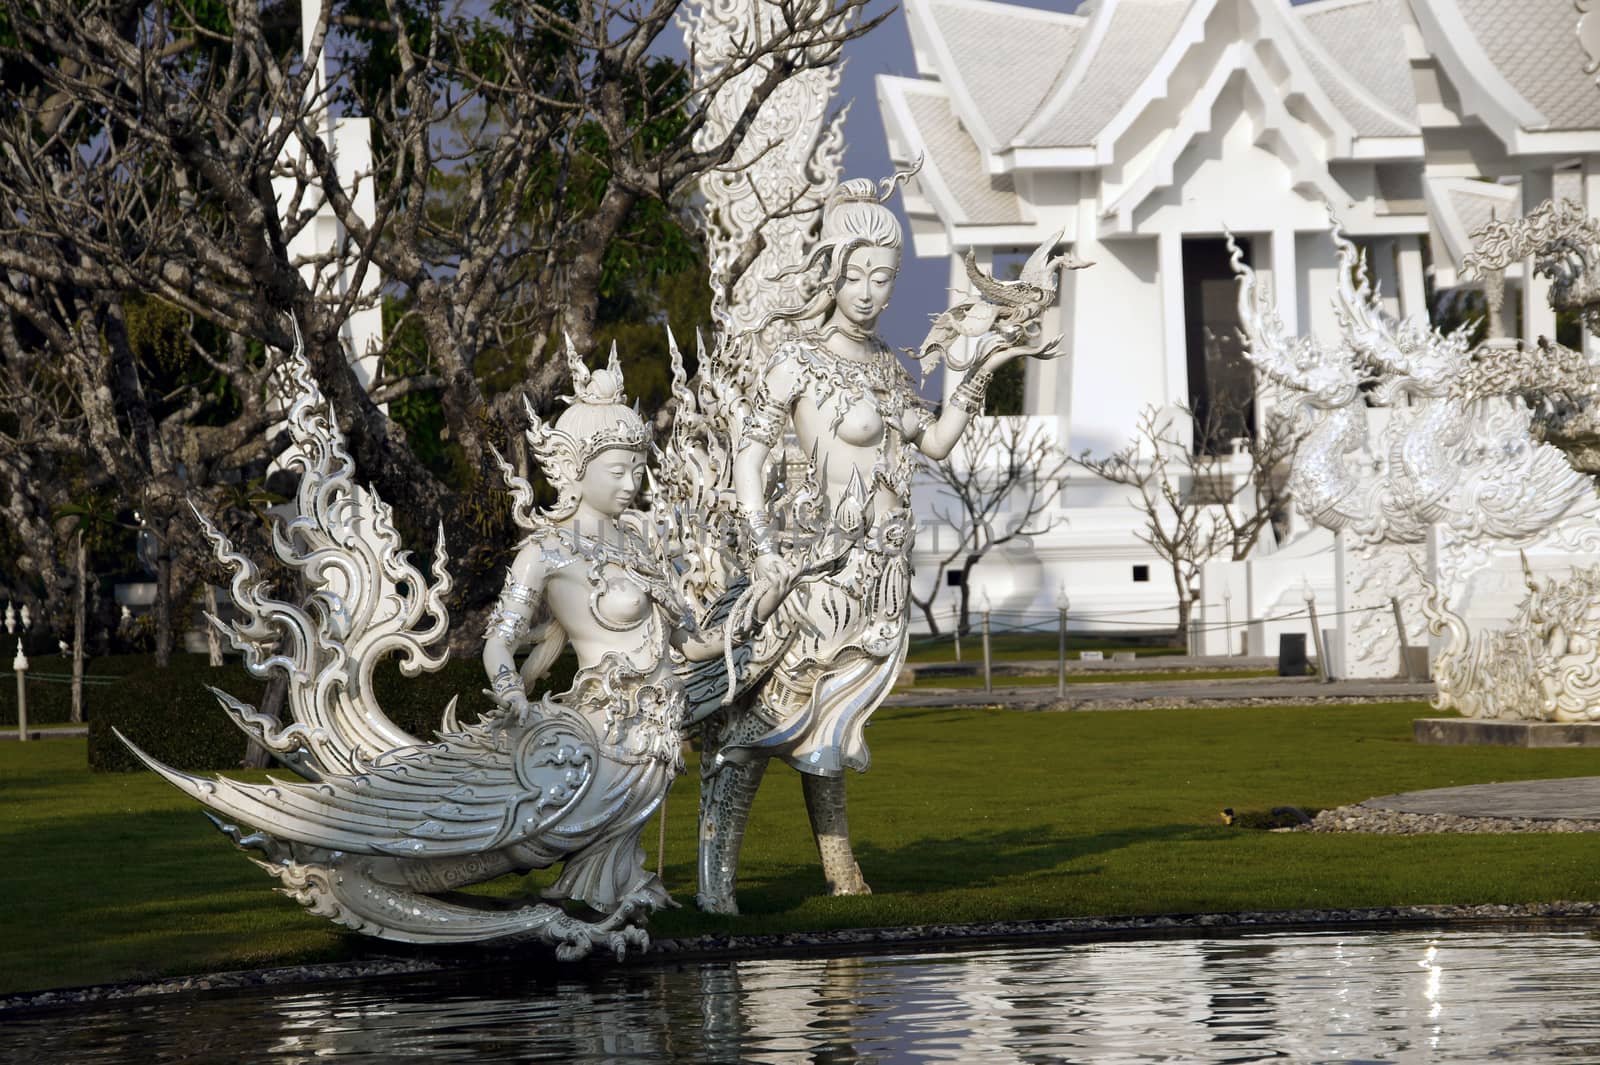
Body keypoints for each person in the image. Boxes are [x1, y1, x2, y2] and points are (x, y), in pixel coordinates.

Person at [697, 177, 1032, 913]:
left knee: (830, 728)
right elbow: (746, 459)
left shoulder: (885, 365)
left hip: (874, 587)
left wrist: (976, 369)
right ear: (833, 271)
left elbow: (936, 440)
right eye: (858, 274)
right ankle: (714, 880)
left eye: (885, 277)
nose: (871, 291)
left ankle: (841, 869)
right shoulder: (797, 359)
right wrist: (762, 551)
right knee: (760, 728)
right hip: (811, 575)